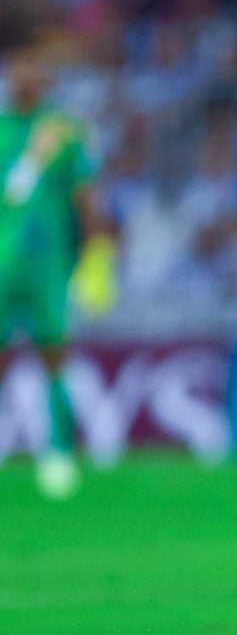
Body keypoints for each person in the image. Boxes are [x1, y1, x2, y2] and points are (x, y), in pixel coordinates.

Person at [1, 39, 115, 498]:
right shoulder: (4, 128)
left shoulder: (62, 131)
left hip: (47, 265)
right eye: (17, 64)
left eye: (32, 65)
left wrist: (94, 260)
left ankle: (60, 451)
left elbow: (85, 197)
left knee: (53, 356)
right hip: (2, 266)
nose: (23, 74)